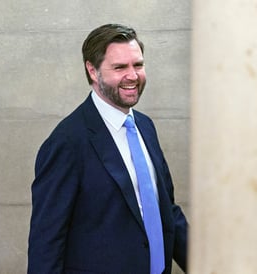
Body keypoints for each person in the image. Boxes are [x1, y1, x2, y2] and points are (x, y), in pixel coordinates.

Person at [28, 23, 188, 274]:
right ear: (92, 71)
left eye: (138, 65)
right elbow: (46, 240)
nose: (133, 75)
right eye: (120, 67)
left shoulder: (145, 126)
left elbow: (166, 208)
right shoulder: (67, 142)